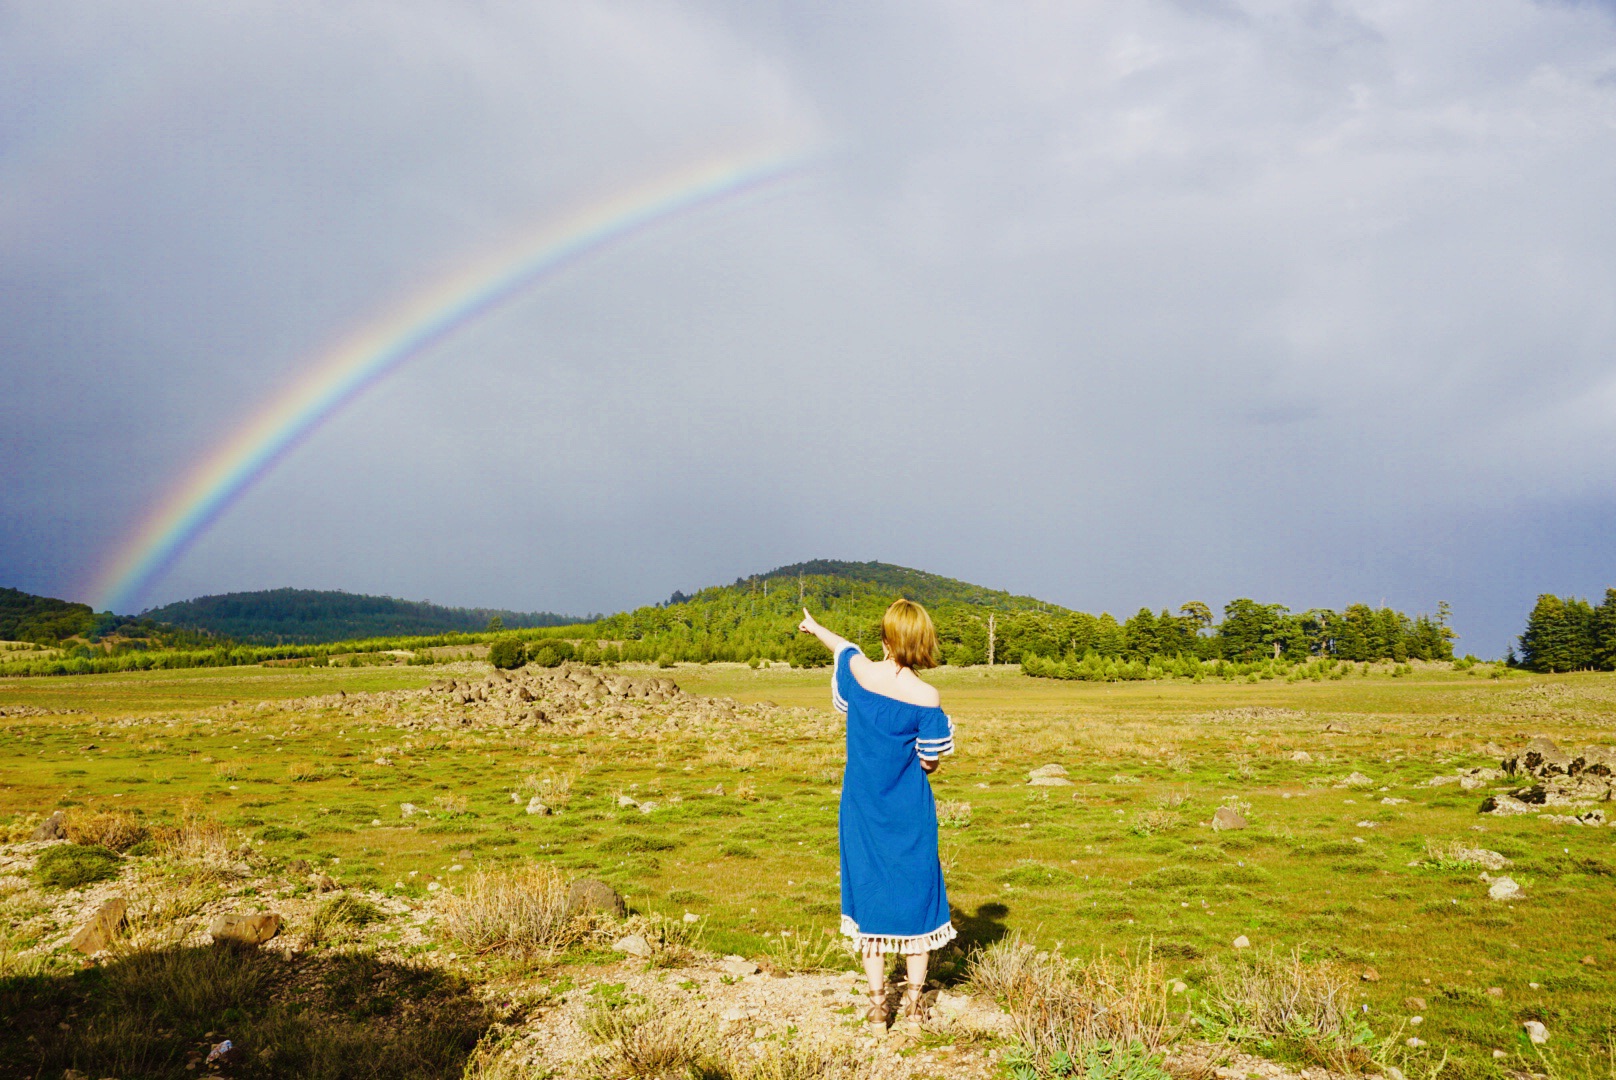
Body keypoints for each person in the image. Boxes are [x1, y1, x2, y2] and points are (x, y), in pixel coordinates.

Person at [798, 599, 956, 1027]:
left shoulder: (860, 674)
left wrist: (816, 628)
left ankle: (875, 1005)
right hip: (908, 813)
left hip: (861, 809)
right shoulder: (927, 696)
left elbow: (844, 648)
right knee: (917, 899)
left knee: (869, 897)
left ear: (885, 639)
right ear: (922, 642)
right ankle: (912, 1005)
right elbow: (929, 762)